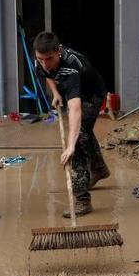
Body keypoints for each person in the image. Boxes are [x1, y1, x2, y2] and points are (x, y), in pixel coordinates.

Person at [33, 32, 110, 217]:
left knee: (78, 142)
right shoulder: (42, 59)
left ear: (58, 51)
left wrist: (70, 146)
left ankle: (82, 200)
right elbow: (47, 73)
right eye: (40, 59)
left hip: (92, 95)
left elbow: (75, 110)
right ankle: (99, 169)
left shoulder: (72, 69)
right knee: (82, 134)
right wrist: (56, 94)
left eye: (49, 59)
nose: (45, 63)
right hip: (73, 92)